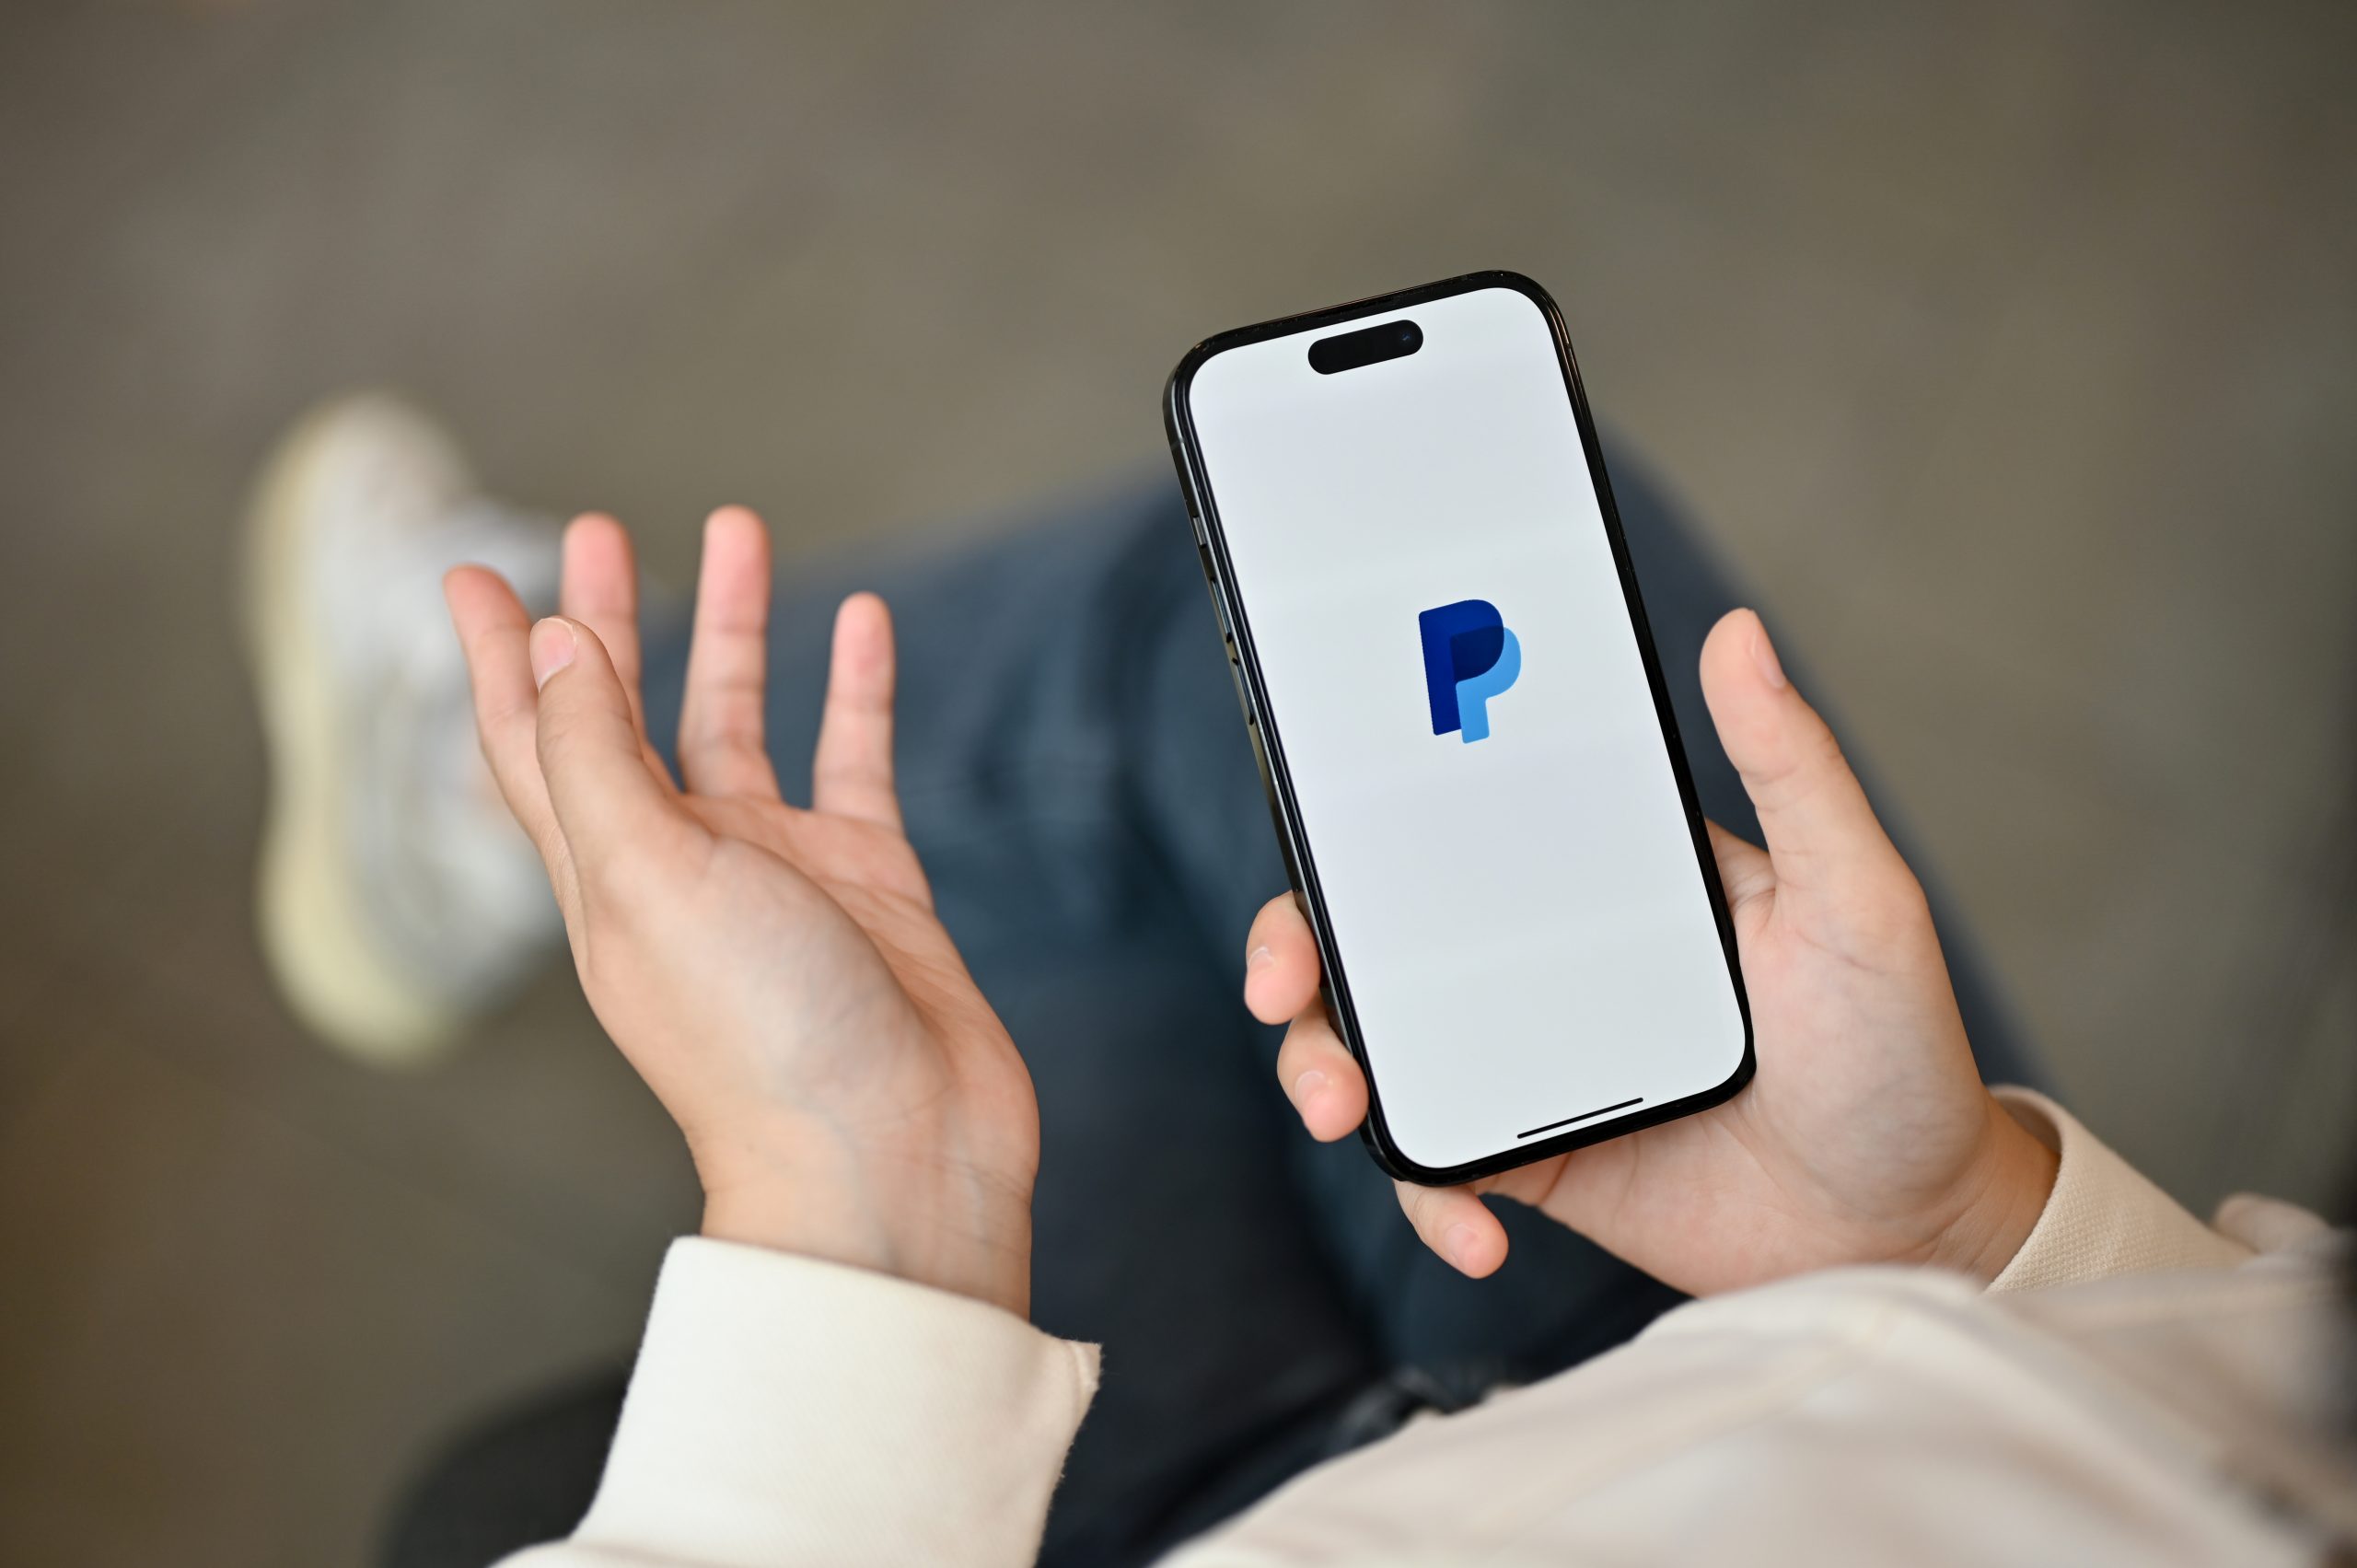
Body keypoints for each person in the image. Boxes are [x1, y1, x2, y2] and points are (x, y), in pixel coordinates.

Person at [244, 397, 2355, 1567]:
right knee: (1282, 581)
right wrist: (1965, 1228)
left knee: (1221, 658)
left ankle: (519, 776)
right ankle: (563, 765)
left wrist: (858, 1202)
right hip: (1812, 1333)